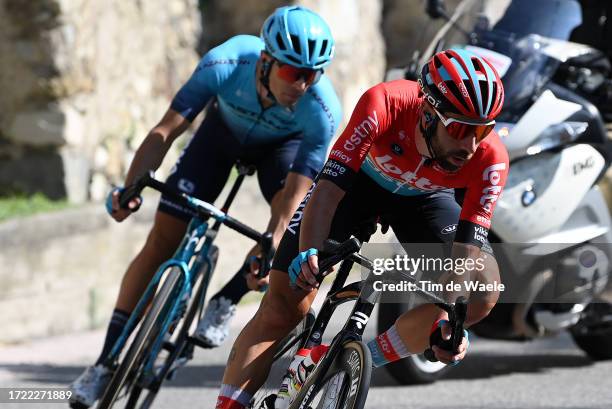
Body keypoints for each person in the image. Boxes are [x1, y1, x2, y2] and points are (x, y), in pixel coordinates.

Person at [68, 5, 342, 408]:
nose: (301, 84)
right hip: (219, 136)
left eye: (312, 74)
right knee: (162, 239)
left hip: (281, 152)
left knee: (284, 232)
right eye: (291, 72)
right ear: (265, 60)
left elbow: (295, 198)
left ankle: (227, 298)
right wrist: (131, 186)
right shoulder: (227, 61)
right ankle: (104, 363)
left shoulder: (322, 109)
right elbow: (165, 130)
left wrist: (274, 237)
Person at [214, 48, 508, 409]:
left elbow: (468, 245)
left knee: (482, 292)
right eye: (462, 128)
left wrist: (453, 315)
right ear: (429, 114)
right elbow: (329, 188)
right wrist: (309, 252)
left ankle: (347, 363)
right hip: (357, 187)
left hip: (426, 200)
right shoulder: (384, 102)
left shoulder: (490, 158)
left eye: (484, 129)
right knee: (284, 305)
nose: (472, 144)